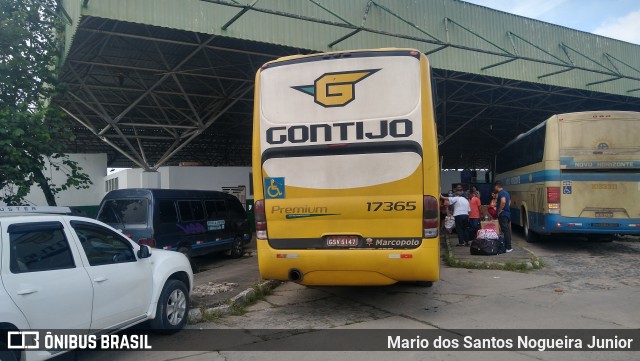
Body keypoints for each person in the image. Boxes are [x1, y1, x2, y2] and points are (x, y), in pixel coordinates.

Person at [494, 181, 512, 253]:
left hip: (503, 214)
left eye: (494, 186)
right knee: (507, 230)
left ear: (497, 186)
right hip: (507, 213)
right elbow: (509, 201)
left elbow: (503, 201)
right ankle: (508, 246)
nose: (494, 188)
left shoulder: (501, 193)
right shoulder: (506, 192)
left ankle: (508, 247)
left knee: (505, 231)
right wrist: (507, 208)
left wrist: (500, 210)